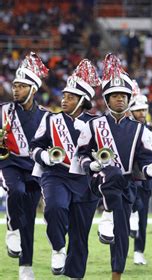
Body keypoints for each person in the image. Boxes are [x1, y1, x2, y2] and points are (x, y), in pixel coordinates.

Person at [70, 53, 152, 280]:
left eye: (123, 95)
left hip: (126, 186)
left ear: (129, 99)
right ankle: (107, 213)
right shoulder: (94, 124)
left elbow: (146, 157)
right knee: (113, 172)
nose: (120, 99)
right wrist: (90, 163)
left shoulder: (141, 130)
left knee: (122, 232)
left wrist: (150, 168)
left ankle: (116, 275)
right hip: (98, 179)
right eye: (115, 95)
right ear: (107, 100)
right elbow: (80, 153)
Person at [29, 59, 100, 277]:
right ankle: (58, 246)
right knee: (55, 208)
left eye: (70, 97)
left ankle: (74, 275)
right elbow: (34, 147)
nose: (65, 100)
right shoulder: (51, 119)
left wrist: (87, 133)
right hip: (56, 175)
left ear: (83, 100)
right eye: (65, 96)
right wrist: (44, 157)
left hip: (85, 181)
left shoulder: (97, 122)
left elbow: (106, 151)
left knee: (80, 237)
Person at [0, 52, 49, 280]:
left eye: (21, 86)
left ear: (33, 89)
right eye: (14, 85)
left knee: (29, 217)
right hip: (9, 163)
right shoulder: (3, 111)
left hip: (34, 168)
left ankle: (25, 267)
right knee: (16, 191)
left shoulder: (47, 116)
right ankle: (11, 227)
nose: (15, 89)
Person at [128, 81, 152, 265]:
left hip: (145, 177)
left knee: (142, 216)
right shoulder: (125, 128)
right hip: (127, 176)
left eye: (144, 110)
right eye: (138, 110)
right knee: (130, 209)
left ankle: (139, 251)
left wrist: (149, 149)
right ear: (130, 111)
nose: (142, 113)